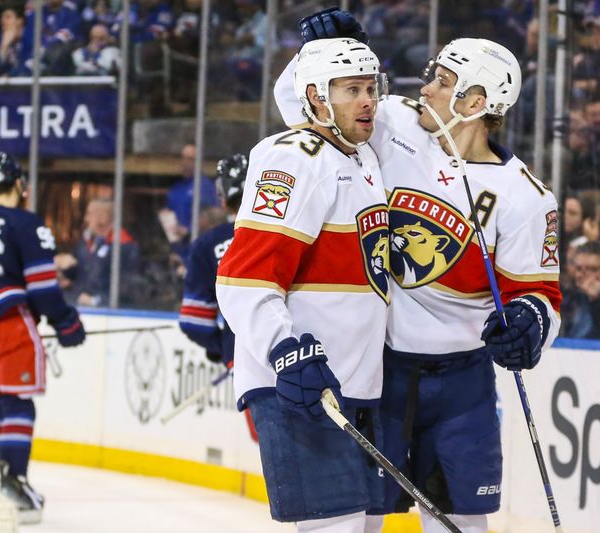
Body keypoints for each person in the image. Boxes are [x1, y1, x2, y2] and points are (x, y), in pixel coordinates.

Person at [278, 12, 562, 533]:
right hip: (379, 368)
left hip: (462, 383)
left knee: (462, 523)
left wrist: (530, 323)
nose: (425, 89)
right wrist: (321, 54)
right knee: (359, 519)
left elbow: (539, 292)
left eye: (443, 82)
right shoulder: (394, 124)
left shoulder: (527, 197)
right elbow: (302, 106)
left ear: (476, 103)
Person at [216, 38, 390, 532]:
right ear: (316, 97)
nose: (367, 101)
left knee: (365, 525)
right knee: (336, 526)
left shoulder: (362, 159)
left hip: (353, 381)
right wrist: (285, 350)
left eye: (370, 88)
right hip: (299, 380)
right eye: (351, 89)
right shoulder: (294, 156)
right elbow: (243, 276)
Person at [0, 152, 86, 523]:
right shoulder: (26, 223)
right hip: (9, 322)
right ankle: (14, 480)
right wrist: (67, 323)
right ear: (19, 185)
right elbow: (43, 288)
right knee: (16, 401)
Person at [179, 154, 247, 367]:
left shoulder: (208, 244)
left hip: (244, 363)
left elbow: (194, 321)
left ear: (223, 199)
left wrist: (223, 346)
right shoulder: (293, 235)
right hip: (304, 358)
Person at [56, 197, 141, 307]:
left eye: (89, 214)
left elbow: (127, 287)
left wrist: (96, 301)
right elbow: (77, 273)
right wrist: (62, 267)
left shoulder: (124, 246)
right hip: (78, 305)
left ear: (103, 218)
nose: (86, 219)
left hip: (106, 313)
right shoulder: (86, 241)